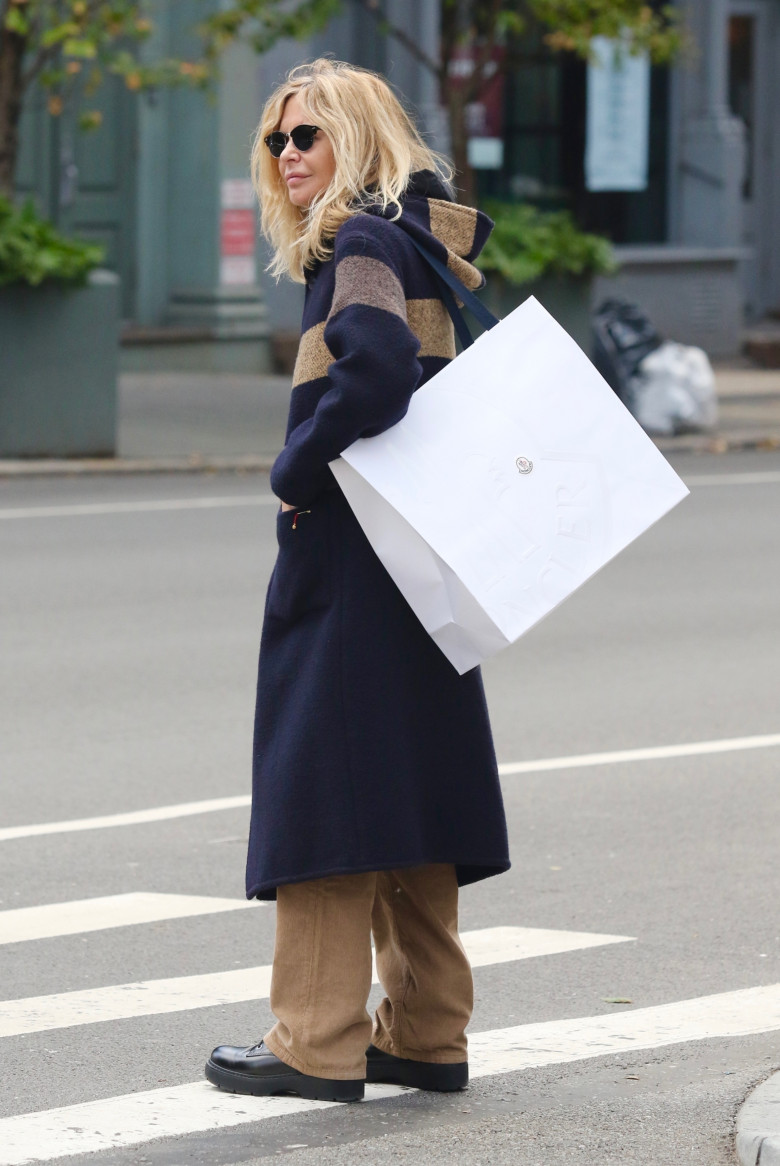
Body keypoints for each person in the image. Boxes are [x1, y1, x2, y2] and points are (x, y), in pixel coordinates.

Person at [205, 58, 510, 1105]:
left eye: (310, 135)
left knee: (325, 786)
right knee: (408, 783)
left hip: (353, 552)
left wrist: (295, 471)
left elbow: (374, 371)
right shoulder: (420, 236)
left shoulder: (362, 242)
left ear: (357, 137)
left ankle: (316, 1035)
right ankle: (426, 1029)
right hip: (416, 555)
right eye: (280, 139)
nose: (289, 156)